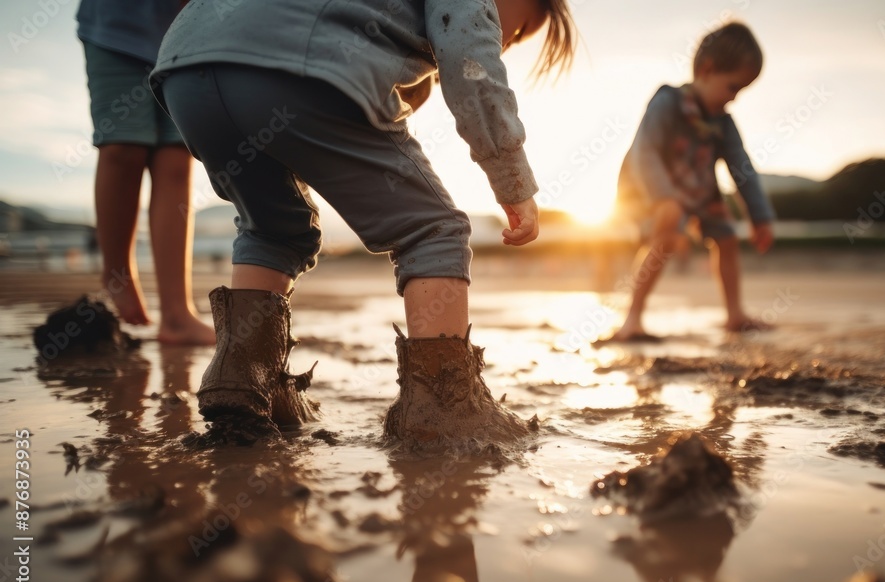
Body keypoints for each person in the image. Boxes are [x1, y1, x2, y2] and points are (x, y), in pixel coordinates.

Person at [151, 0, 576, 446]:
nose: (506, 42)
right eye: (520, 29)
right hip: (293, 65)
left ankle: (246, 377)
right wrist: (512, 179)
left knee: (271, 228)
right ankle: (445, 407)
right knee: (434, 229)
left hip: (187, 67)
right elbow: (471, 61)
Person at [608, 22, 775, 341]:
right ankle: (632, 319)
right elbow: (646, 153)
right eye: (733, 87)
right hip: (655, 190)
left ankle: (735, 314)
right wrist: (663, 199)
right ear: (707, 70)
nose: (734, 99)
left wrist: (760, 216)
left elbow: (743, 169)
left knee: (726, 239)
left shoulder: (723, 123)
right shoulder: (667, 102)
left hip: (701, 190)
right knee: (664, 241)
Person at [77, 0, 216, 345]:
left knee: (176, 161)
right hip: (116, 29)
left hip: (186, 37)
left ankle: (176, 313)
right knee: (122, 147)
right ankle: (118, 275)